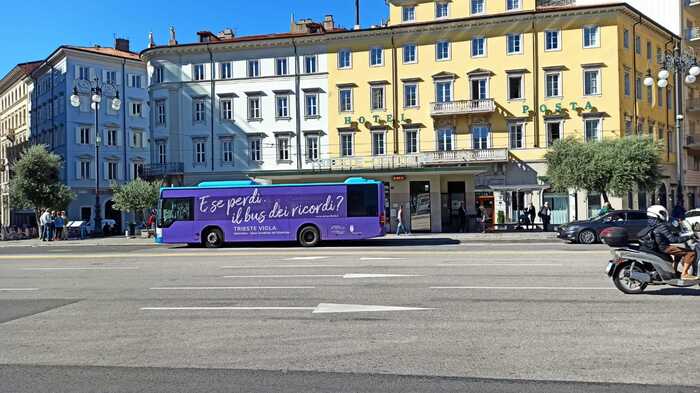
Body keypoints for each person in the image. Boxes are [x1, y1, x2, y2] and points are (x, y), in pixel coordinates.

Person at [641, 205, 697, 280]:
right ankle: (684, 274)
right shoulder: (660, 225)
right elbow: (673, 239)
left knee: (679, 253)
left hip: (660, 246)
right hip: (664, 247)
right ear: (657, 213)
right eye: (662, 213)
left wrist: (677, 234)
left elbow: (664, 234)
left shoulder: (652, 223)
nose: (664, 215)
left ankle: (674, 272)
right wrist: (688, 237)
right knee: (690, 253)